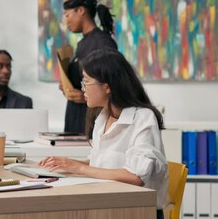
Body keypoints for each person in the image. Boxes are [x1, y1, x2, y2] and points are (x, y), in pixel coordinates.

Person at [40, 49, 168, 219]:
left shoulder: (143, 117)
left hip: (137, 211)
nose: (82, 88)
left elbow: (136, 176)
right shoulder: (103, 117)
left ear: (106, 87)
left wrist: (79, 168)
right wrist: (67, 163)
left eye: (86, 81)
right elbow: (99, 162)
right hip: (108, 205)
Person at [61, 0, 118, 135]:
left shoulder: (103, 43)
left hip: (92, 119)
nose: (66, 21)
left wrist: (84, 96)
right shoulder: (82, 44)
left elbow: (113, 83)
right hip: (76, 116)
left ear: (81, 11)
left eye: (67, 15)